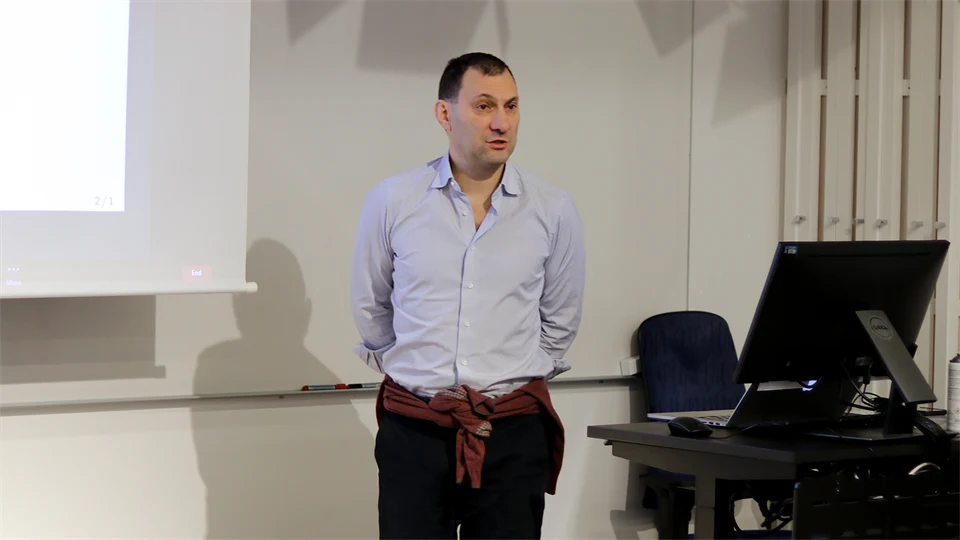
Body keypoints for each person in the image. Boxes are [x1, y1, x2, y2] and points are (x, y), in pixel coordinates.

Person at [350, 52, 586, 540]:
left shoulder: (553, 209)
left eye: (512, 106)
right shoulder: (393, 200)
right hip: (415, 427)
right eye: (483, 106)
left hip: (512, 431)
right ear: (444, 114)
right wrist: (417, 369)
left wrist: (510, 374)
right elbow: (372, 306)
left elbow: (560, 320)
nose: (501, 122)